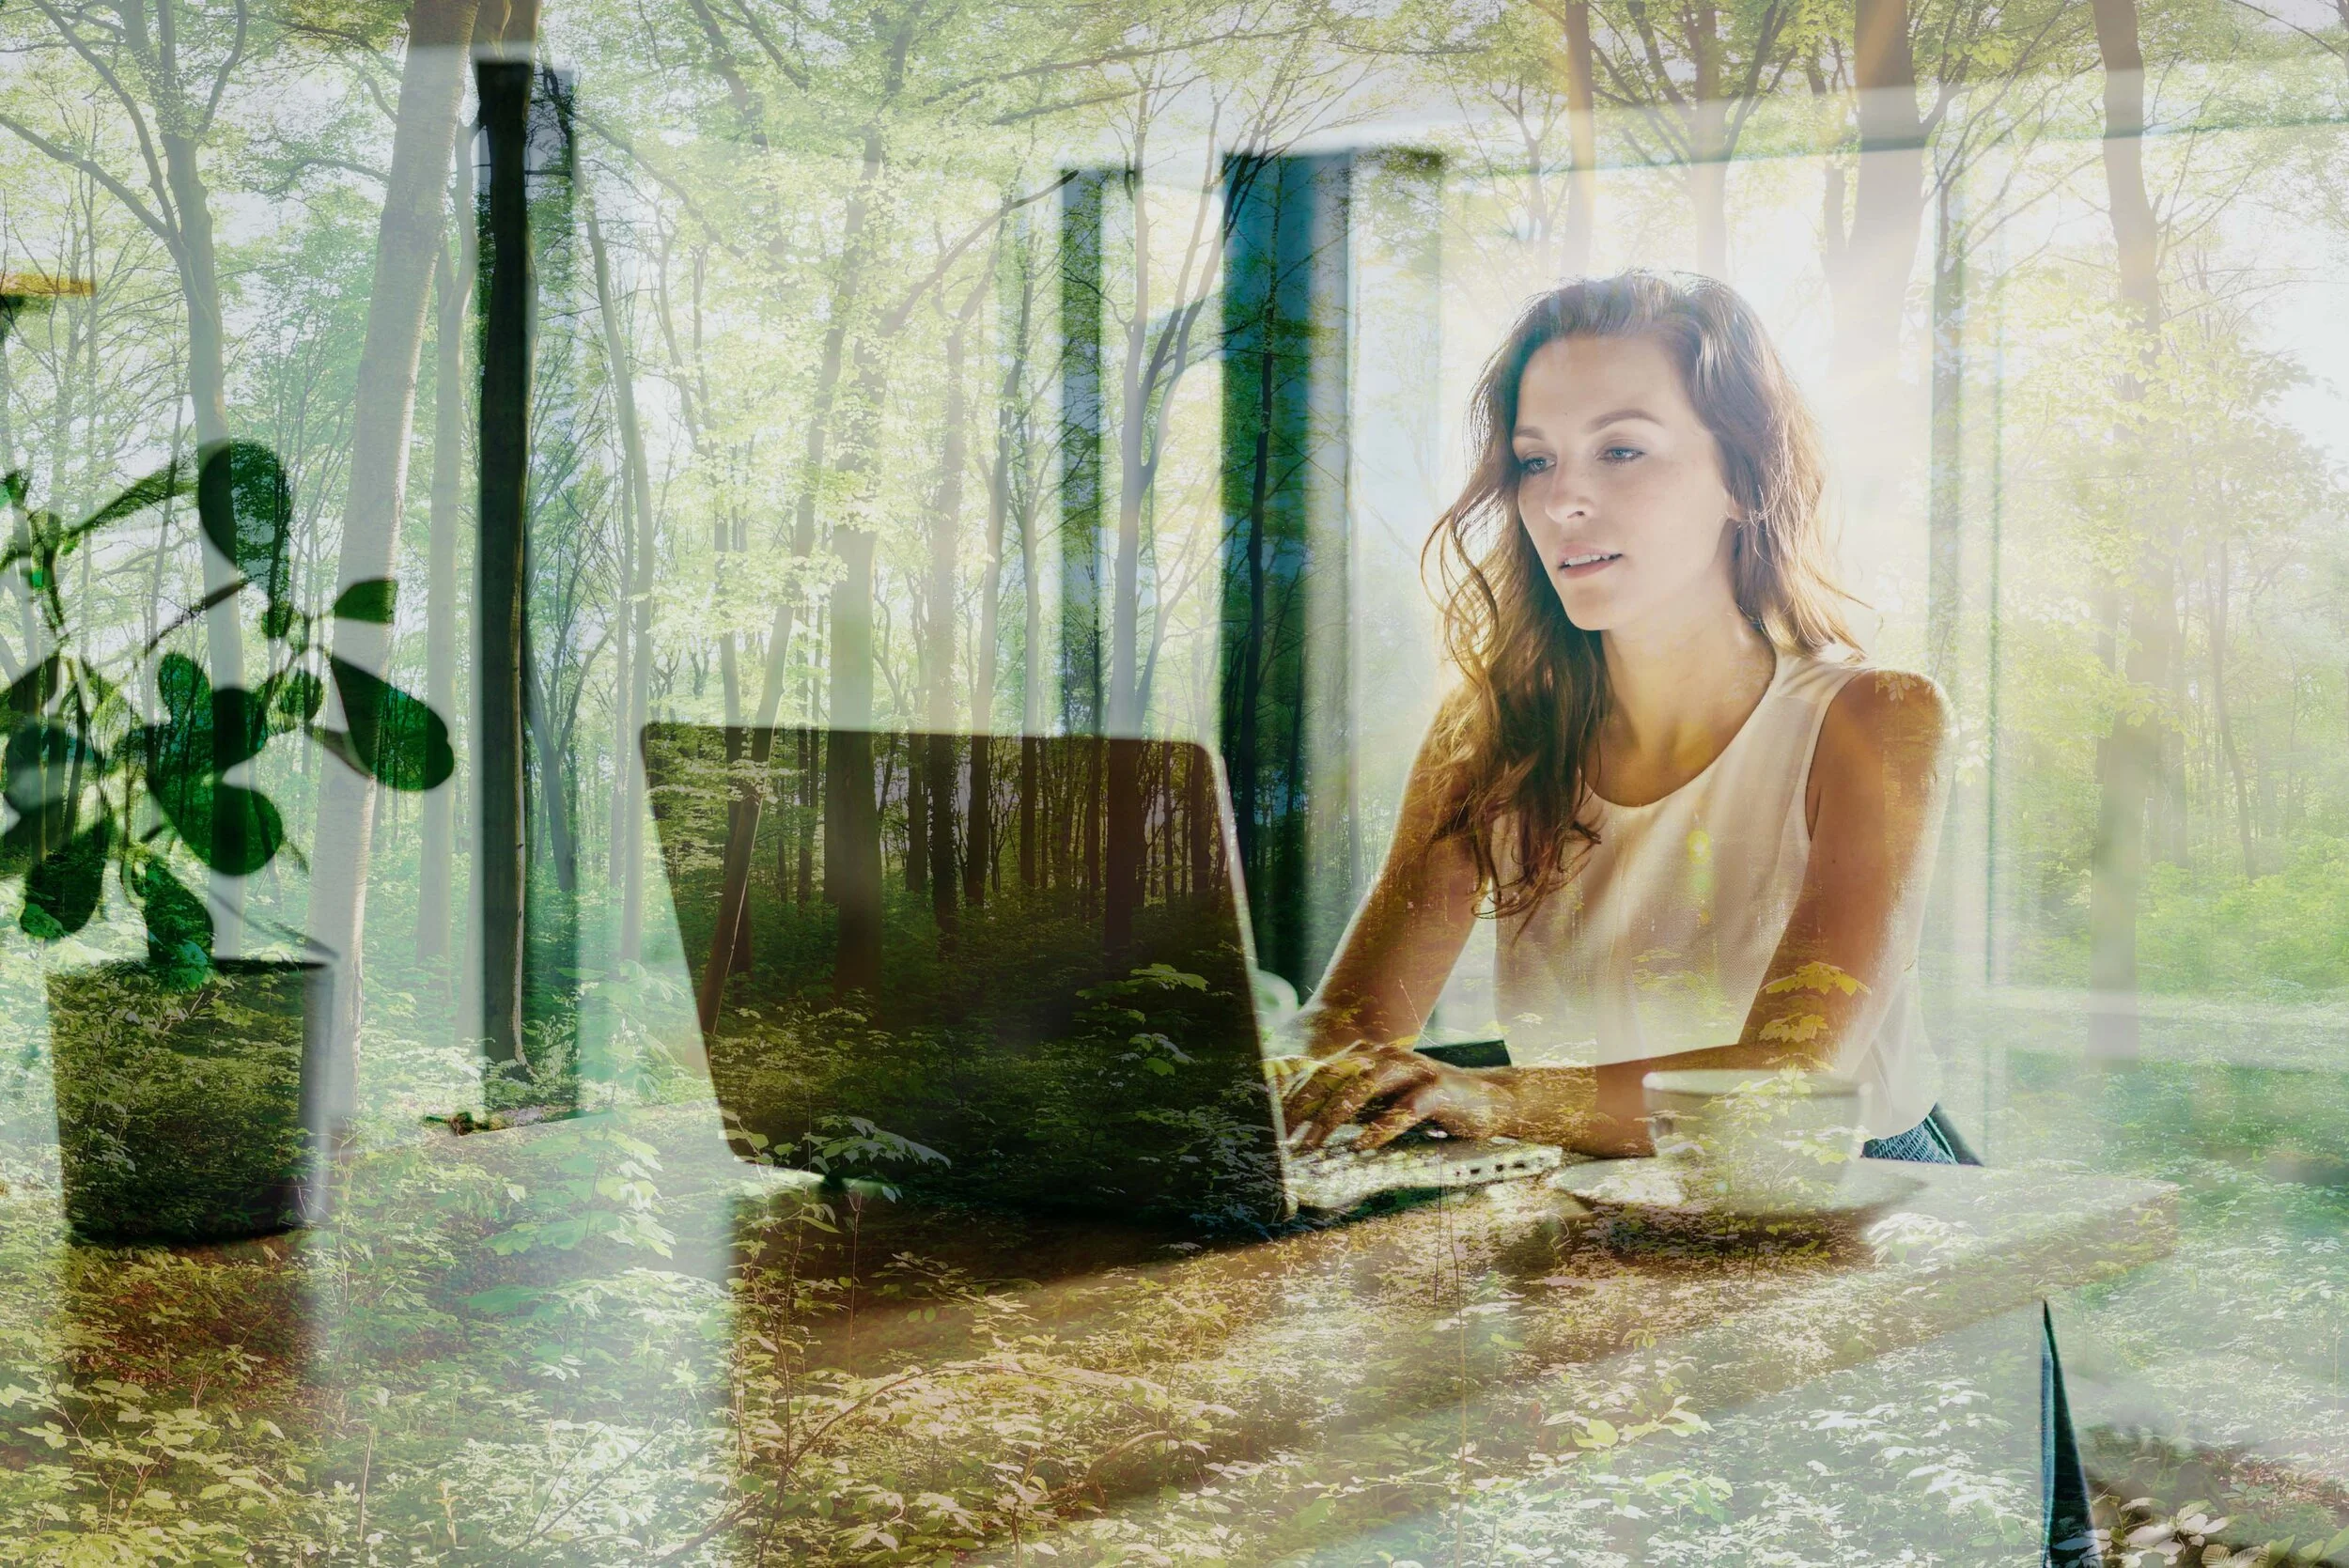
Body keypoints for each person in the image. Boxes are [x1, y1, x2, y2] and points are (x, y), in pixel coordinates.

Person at [1278, 272, 2093, 1564]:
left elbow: (1790, 1079)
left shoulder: (1874, 715)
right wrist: (1280, 1074)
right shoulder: (1485, 736)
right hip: (1595, 1221)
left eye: (1623, 450)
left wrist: (1486, 1097)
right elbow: (1344, 1030)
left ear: (1743, 477)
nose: (1564, 499)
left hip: (1864, 1226)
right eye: (1534, 460)